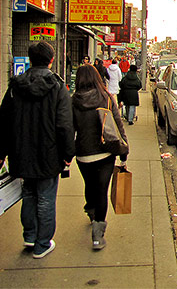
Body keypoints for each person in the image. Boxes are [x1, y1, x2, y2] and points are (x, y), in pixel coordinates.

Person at [0, 41, 75, 259]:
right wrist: (68, 154)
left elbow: (4, 121)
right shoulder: (58, 87)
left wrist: (1, 152)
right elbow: (65, 125)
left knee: (28, 194)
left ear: (30, 59)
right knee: (46, 198)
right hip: (49, 153)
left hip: (20, 152)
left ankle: (29, 236)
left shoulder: (15, 86)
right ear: (51, 59)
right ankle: (42, 243)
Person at [71, 64, 128, 250]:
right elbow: (119, 126)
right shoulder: (107, 98)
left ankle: (91, 210)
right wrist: (124, 151)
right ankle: (97, 235)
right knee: (102, 190)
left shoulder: (73, 101)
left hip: (83, 153)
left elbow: (68, 129)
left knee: (90, 185)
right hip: (106, 151)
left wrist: (66, 153)